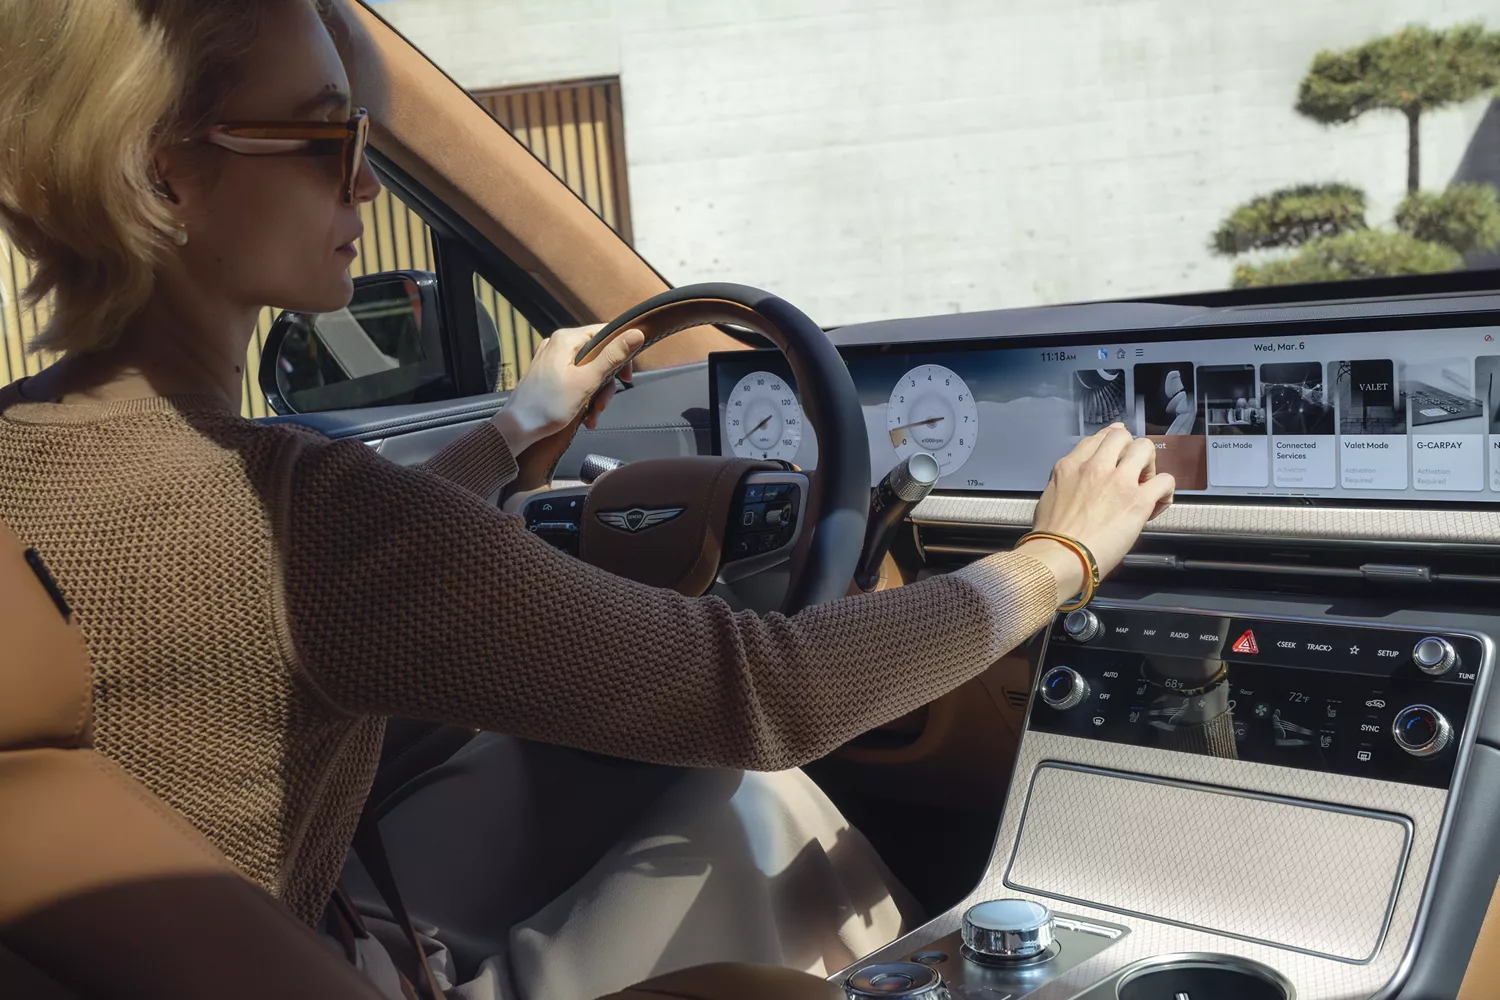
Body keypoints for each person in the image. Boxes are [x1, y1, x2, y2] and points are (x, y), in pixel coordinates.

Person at [0, 1, 1175, 998]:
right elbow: (768, 693)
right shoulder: (301, 512)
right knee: (757, 818)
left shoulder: (31, 451)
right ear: (162, 166)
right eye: (322, 135)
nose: (362, 176)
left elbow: (354, 566)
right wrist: (1058, 556)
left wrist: (511, 436)